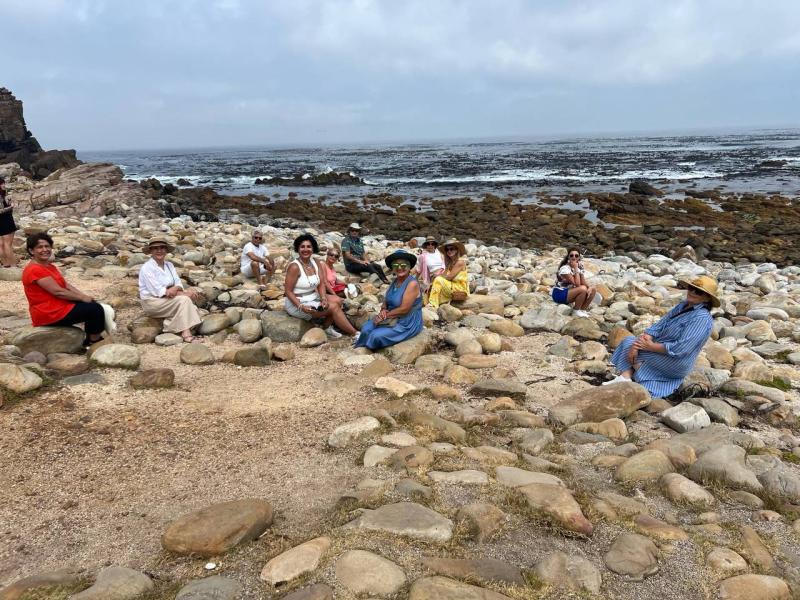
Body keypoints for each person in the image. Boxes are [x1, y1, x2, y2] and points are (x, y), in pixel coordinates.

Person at [604, 275, 720, 398]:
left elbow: (680, 349)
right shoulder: (683, 306)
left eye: (698, 291)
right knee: (629, 342)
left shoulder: (701, 318)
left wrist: (649, 346)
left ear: (707, 298)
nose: (692, 292)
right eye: (691, 288)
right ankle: (626, 377)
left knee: (630, 347)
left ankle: (634, 375)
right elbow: (659, 325)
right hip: (659, 348)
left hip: (676, 361)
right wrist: (644, 340)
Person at [22, 232, 106, 345]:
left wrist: (84, 296)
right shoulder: (34, 269)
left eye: (47, 246)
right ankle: (93, 341)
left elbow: (65, 285)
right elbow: (58, 292)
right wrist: (82, 298)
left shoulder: (48, 266)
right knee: (95, 310)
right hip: (48, 313)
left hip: (59, 306)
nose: (45, 249)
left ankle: (90, 337)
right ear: (32, 251)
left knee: (93, 304)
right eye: (40, 247)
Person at [284, 234, 359, 340]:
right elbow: (288, 291)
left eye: (309, 247)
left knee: (338, 300)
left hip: (313, 296)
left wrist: (323, 298)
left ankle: (326, 328)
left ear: (313, 248)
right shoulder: (294, 267)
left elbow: (321, 284)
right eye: (302, 247)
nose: (306, 249)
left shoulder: (316, 262)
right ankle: (355, 333)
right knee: (333, 307)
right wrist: (301, 306)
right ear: (297, 249)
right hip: (297, 302)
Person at [138, 237, 204, 342]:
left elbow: (178, 283)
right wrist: (183, 294)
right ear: (151, 251)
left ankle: (168, 326)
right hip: (152, 302)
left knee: (193, 308)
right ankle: (186, 334)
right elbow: (159, 292)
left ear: (166, 250)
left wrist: (176, 289)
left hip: (167, 299)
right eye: (155, 248)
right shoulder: (147, 268)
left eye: (162, 248)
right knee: (185, 301)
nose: (159, 250)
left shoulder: (169, 265)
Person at [355, 250, 423, 350]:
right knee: (365, 329)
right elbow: (385, 302)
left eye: (403, 264)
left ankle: (368, 350)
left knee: (375, 335)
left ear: (409, 267)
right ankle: (363, 346)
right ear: (392, 268)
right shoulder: (394, 281)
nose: (399, 267)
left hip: (406, 322)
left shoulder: (412, 284)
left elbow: (404, 309)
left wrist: (384, 316)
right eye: (396, 265)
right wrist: (383, 310)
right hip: (390, 316)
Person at [551, 248, 596, 317]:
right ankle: (576, 311)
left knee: (593, 289)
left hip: (569, 293)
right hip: (559, 294)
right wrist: (575, 269)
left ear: (579, 257)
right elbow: (577, 284)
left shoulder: (580, 266)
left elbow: (583, 281)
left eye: (576, 255)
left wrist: (590, 287)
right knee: (583, 288)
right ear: (568, 257)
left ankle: (582, 310)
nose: (574, 257)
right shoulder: (565, 269)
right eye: (571, 255)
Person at [427, 238, 469, 308]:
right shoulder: (450, 263)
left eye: (451, 249)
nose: (449, 251)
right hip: (451, 286)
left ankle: (433, 304)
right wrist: (432, 282)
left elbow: (449, 277)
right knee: (430, 286)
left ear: (456, 250)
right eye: (447, 249)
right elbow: (444, 275)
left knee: (438, 280)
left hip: (459, 288)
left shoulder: (460, 262)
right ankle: (429, 304)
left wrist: (437, 278)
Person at [0, 177, 18, 267]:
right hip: (5, 220)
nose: (4, 185)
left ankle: (6, 263)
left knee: (2, 244)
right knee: (7, 244)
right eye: (2, 183)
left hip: (2, 221)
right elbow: (1, 210)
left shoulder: (3, 195)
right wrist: (11, 207)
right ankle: (13, 265)